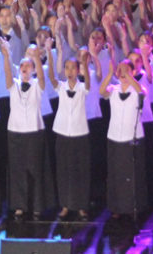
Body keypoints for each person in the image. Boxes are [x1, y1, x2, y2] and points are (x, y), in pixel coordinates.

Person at [1, 36, 53, 219]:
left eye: (28, 66)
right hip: (15, 132)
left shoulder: (37, 85)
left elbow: (41, 75)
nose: (25, 68)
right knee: (17, 169)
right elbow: (7, 74)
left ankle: (37, 205)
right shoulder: (13, 85)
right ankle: (19, 206)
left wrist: (37, 58)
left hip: (34, 131)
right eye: (22, 66)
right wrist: (6, 56)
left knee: (35, 168)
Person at [102, 58, 147, 219]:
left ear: (133, 72)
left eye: (126, 70)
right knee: (116, 173)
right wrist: (110, 74)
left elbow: (141, 90)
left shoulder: (137, 90)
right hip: (114, 136)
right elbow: (102, 92)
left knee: (132, 173)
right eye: (120, 71)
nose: (122, 73)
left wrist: (128, 75)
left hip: (132, 137)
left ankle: (133, 206)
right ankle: (117, 207)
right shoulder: (113, 89)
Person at [50, 54, 91, 221]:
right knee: (64, 169)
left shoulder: (82, 88)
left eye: (73, 68)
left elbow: (88, 83)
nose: (70, 71)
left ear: (78, 70)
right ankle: (65, 204)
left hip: (79, 133)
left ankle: (81, 205)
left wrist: (85, 66)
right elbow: (52, 78)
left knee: (79, 170)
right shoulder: (61, 86)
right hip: (62, 132)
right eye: (67, 68)